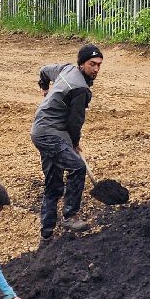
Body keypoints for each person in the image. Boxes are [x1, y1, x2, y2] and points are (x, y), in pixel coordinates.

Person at [31, 43, 103, 239]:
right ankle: (70, 215)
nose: (96, 69)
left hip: (40, 130)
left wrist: (44, 89)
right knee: (77, 167)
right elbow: (75, 121)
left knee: (53, 183)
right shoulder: (81, 89)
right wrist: (75, 143)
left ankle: (46, 235)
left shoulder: (66, 69)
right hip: (50, 134)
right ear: (81, 64)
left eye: (98, 65)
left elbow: (43, 71)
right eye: (92, 64)